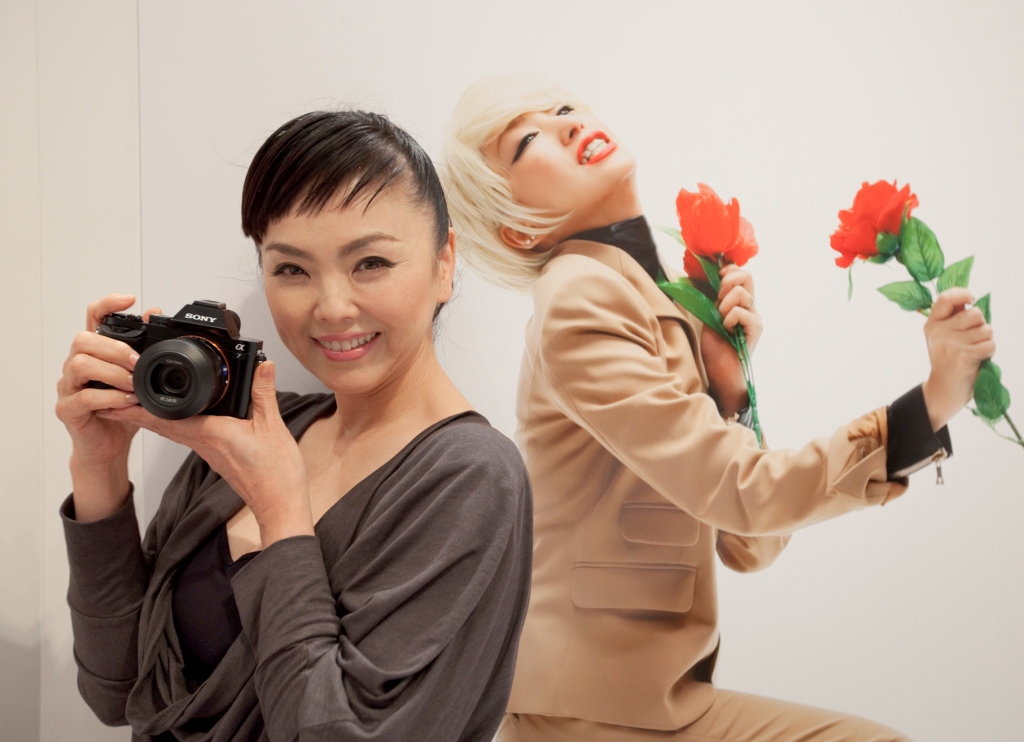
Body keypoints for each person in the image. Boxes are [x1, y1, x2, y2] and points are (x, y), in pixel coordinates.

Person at [442, 73, 995, 741]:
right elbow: (743, 494)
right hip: (592, 714)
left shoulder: (641, 295)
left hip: (652, 702)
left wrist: (729, 395)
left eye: (564, 107)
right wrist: (926, 408)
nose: (566, 123)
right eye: (529, 140)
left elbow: (751, 546)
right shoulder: (580, 299)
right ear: (515, 231)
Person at [55, 110, 532, 741]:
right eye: (291, 269)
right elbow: (117, 689)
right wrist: (99, 464)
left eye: (371, 263)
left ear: (444, 263)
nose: (331, 308)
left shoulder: (470, 475)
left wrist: (280, 508)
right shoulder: (257, 427)